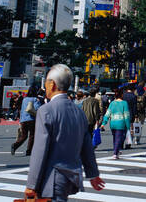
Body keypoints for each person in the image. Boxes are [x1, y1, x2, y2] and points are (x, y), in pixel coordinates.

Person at [25, 64, 104, 201]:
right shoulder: (78, 111)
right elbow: (87, 147)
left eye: (46, 82)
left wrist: (31, 184)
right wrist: (93, 174)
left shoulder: (46, 110)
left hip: (52, 176)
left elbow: (40, 149)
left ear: (52, 85)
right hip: (72, 176)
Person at [101, 87, 131, 160]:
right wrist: (128, 126)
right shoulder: (124, 103)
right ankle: (115, 153)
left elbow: (107, 114)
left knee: (115, 138)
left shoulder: (112, 103)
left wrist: (103, 123)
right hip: (121, 123)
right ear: (121, 95)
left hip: (113, 123)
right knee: (119, 139)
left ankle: (116, 151)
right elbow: (126, 115)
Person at [11, 86, 40, 156]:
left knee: (24, 136)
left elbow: (22, 110)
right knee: (32, 135)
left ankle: (15, 145)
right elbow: (37, 108)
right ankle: (29, 151)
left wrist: (20, 121)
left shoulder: (24, 99)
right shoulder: (35, 99)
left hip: (23, 120)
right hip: (32, 119)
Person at [122, 84, 137, 149]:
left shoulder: (123, 95)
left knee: (122, 129)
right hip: (130, 114)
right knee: (129, 130)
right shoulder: (133, 96)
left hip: (122, 114)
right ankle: (128, 144)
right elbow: (134, 107)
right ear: (133, 89)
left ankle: (121, 143)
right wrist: (135, 115)